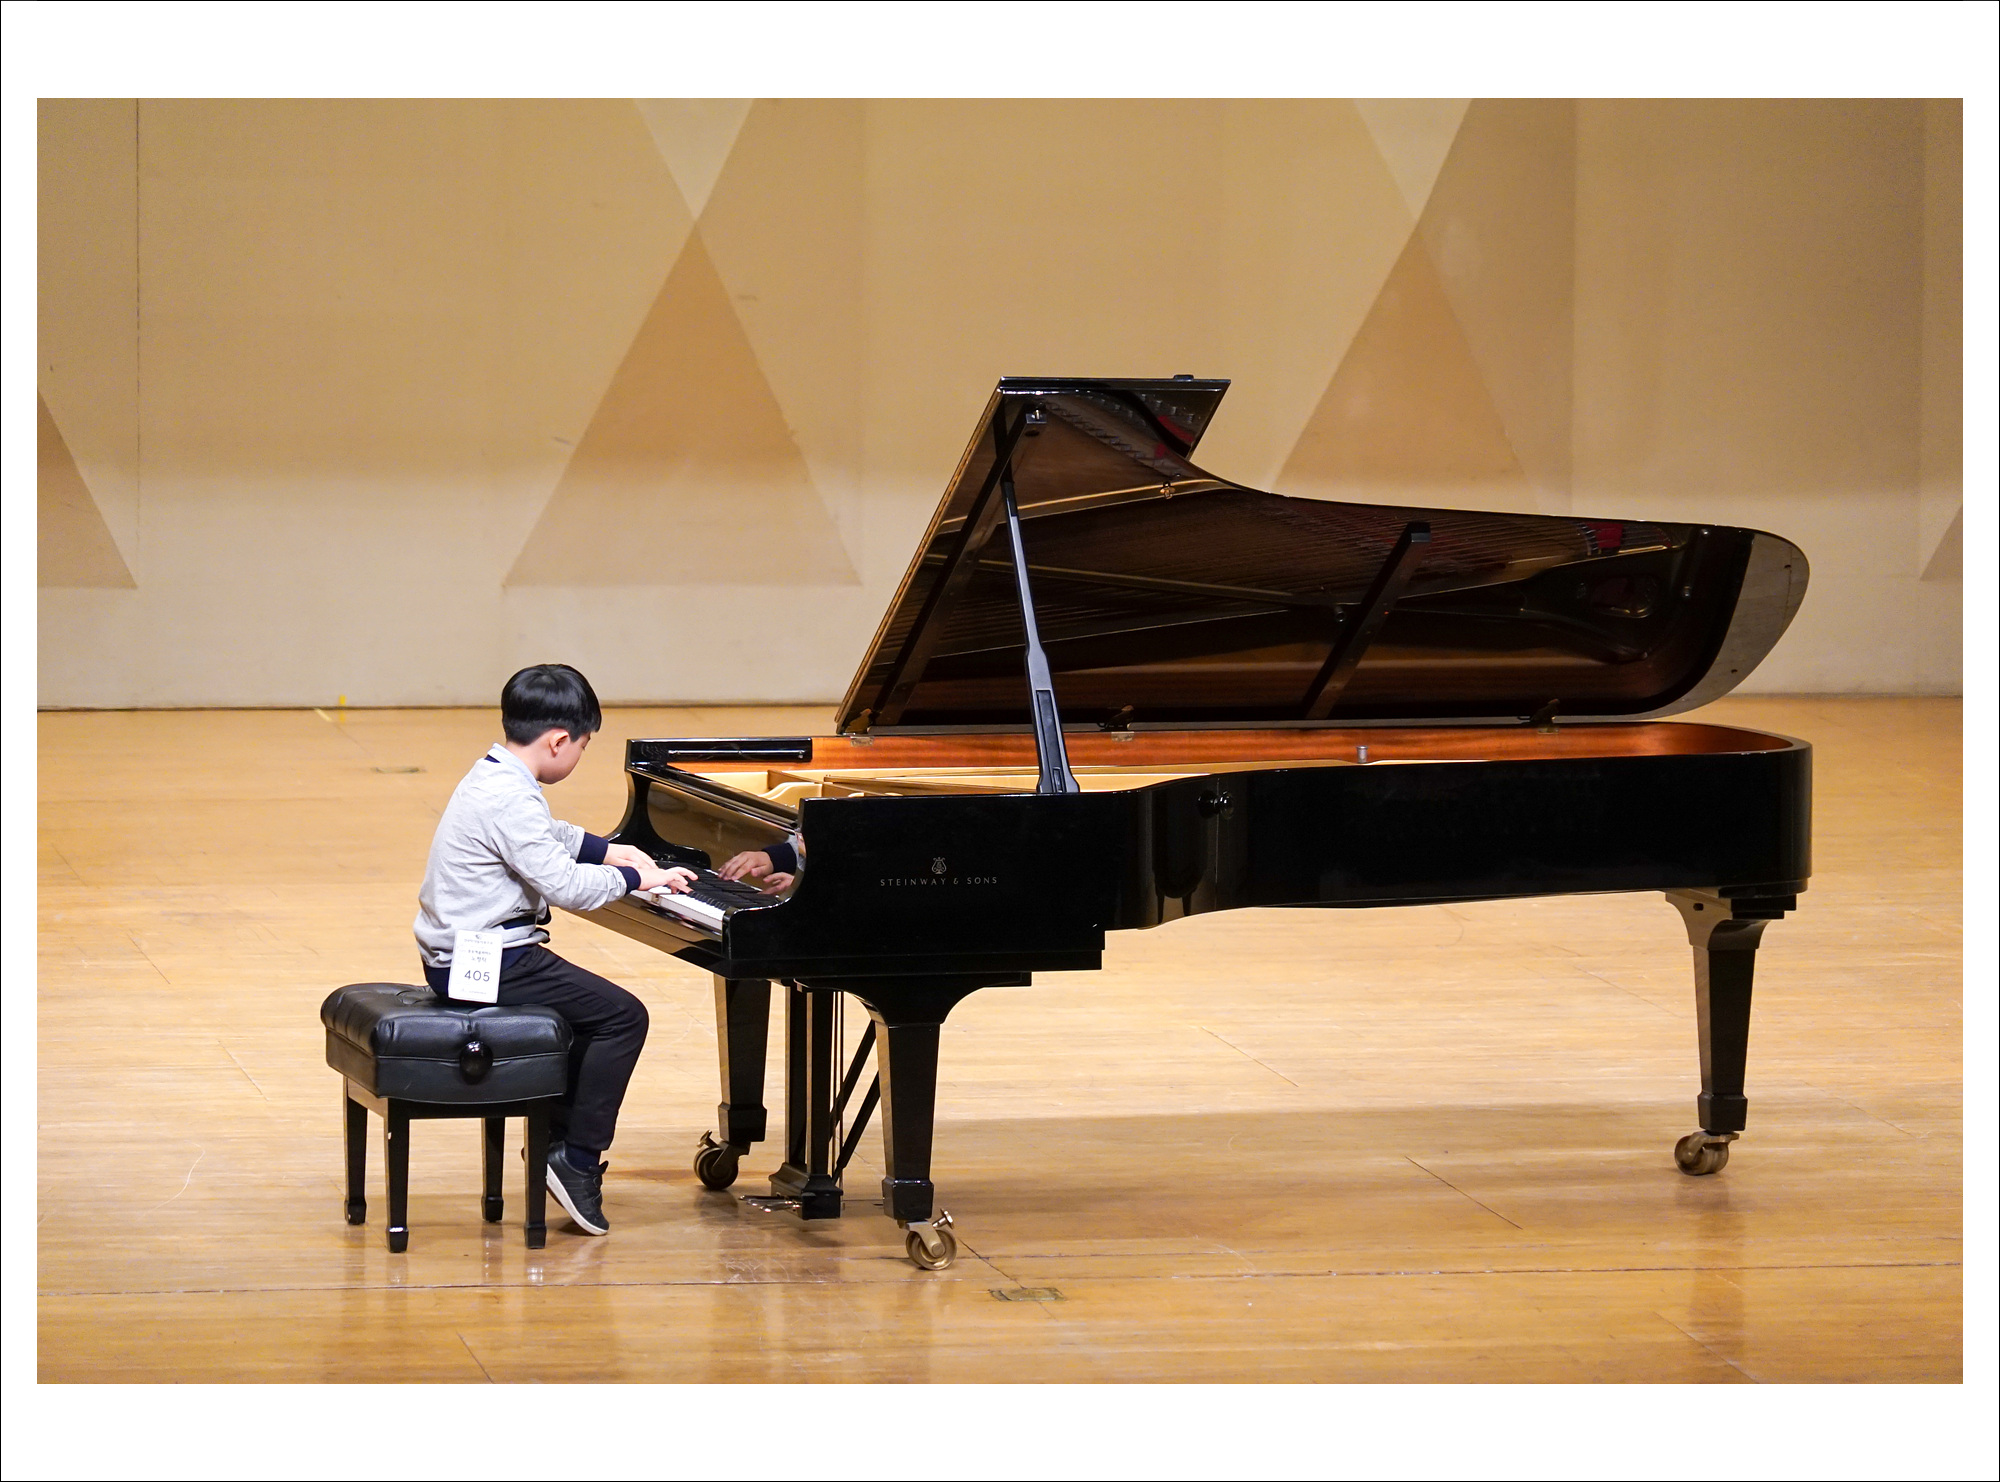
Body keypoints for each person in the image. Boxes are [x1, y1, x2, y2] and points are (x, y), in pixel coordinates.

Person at [413, 663, 693, 1236]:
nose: (579, 756)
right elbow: (565, 887)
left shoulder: (495, 775)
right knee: (623, 1017)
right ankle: (576, 1159)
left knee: (591, 1013)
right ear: (560, 740)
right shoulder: (510, 798)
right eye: (584, 747)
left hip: (470, 954)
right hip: (489, 961)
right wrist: (640, 879)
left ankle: (555, 1147)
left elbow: (545, 836)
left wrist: (608, 850)